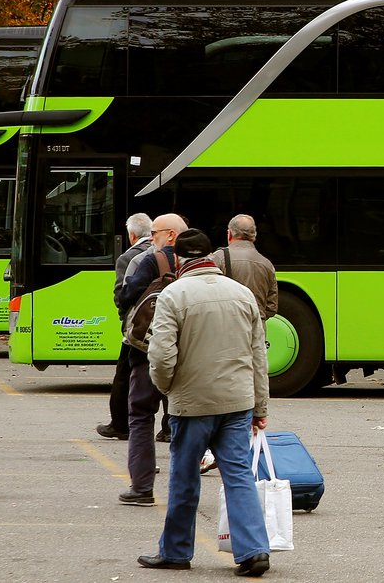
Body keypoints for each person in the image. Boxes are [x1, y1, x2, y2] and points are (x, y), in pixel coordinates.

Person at [137, 229, 271, 577]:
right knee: (238, 476)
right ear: (211, 255)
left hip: (191, 403)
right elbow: (258, 355)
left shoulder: (173, 295)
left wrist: (168, 388)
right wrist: (260, 408)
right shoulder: (242, 294)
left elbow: (162, 355)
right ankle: (254, 550)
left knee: (184, 479)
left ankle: (177, 552)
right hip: (237, 403)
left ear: (178, 259)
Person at [116, 213, 187, 506]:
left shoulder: (151, 261)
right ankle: (184, 490)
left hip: (146, 350)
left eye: (155, 232)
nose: (151, 238)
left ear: (170, 235)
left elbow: (125, 297)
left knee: (142, 415)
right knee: (184, 420)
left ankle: (142, 487)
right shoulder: (200, 265)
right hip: (187, 353)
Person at [96, 213, 152, 441]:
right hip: (162, 325)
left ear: (131, 235)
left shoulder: (128, 258)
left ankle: (119, 424)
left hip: (137, 328)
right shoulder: (166, 255)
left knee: (124, 375)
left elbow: (122, 294)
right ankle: (168, 428)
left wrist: (125, 320)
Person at [210, 214, 278, 321]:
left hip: (229, 324)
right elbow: (271, 307)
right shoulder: (267, 264)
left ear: (229, 234)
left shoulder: (218, 258)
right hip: (257, 328)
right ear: (254, 236)